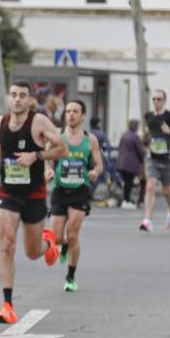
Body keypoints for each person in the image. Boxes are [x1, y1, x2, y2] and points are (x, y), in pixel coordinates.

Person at [0, 80, 67, 323]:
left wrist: (36, 156)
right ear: (8, 98)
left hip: (34, 195)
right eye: (13, 95)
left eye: (22, 95)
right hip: (7, 193)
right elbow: (0, 145)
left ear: (29, 99)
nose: (17, 99)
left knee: (32, 252)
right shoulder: (0, 122)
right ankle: (7, 305)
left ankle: (48, 243)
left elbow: (61, 149)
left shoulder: (39, 122)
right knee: (7, 244)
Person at [47, 99, 102, 292]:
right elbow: (46, 159)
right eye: (68, 111)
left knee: (72, 235)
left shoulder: (90, 140)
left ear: (83, 116)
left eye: (75, 111)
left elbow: (99, 164)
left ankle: (70, 277)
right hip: (60, 189)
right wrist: (48, 170)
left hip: (80, 190)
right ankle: (63, 247)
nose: (71, 114)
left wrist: (95, 171)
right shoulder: (57, 137)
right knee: (55, 237)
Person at [141, 89, 170, 232]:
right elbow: (148, 132)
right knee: (150, 186)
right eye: (154, 99)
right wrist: (144, 136)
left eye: (159, 99)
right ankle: (147, 220)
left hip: (167, 159)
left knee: (166, 190)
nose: (156, 102)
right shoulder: (148, 116)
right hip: (152, 158)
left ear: (164, 101)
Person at [115, 119, 146, 209]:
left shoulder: (124, 135)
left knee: (126, 182)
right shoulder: (135, 137)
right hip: (131, 164)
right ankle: (126, 200)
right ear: (136, 127)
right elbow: (140, 151)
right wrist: (142, 160)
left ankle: (125, 199)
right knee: (129, 182)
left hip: (121, 162)